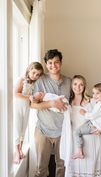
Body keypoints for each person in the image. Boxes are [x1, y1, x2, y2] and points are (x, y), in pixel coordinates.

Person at [31, 49, 71, 177]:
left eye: (56, 62)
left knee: (62, 166)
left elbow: (75, 103)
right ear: (46, 64)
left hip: (63, 131)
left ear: (61, 63)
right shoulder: (40, 80)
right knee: (41, 168)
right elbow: (32, 104)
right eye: (50, 63)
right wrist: (52, 104)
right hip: (43, 130)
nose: (53, 65)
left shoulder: (69, 82)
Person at [60, 75, 101, 177]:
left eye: (81, 84)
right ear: (71, 85)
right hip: (75, 138)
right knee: (77, 165)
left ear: (85, 86)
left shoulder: (93, 101)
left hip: (91, 137)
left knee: (90, 164)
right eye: (75, 84)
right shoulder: (67, 101)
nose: (78, 87)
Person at [13, 62, 44, 164]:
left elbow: (31, 98)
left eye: (37, 74)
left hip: (26, 108)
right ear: (29, 69)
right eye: (34, 72)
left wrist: (34, 99)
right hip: (18, 107)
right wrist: (29, 97)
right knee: (17, 130)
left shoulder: (33, 83)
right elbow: (16, 93)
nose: (35, 76)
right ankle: (17, 152)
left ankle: (21, 149)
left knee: (23, 129)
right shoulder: (22, 80)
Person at [71, 83, 101, 159]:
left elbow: (92, 115)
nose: (95, 95)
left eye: (97, 93)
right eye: (93, 93)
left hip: (94, 125)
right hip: (95, 124)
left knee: (76, 132)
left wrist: (84, 113)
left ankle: (79, 151)